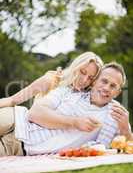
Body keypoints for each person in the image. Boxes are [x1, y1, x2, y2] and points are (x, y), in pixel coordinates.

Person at [0, 62, 132, 156]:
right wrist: (74, 122)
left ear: (118, 92)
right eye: (104, 81)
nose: (106, 88)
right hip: (16, 119)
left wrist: (126, 129)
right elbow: (34, 113)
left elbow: (128, 148)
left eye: (113, 86)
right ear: (94, 82)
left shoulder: (115, 116)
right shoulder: (71, 91)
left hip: (21, 146)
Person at [0, 51, 103, 108]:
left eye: (90, 78)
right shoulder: (51, 80)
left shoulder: (88, 97)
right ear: (75, 67)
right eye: (82, 72)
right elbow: (13, 100)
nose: (84, 80)